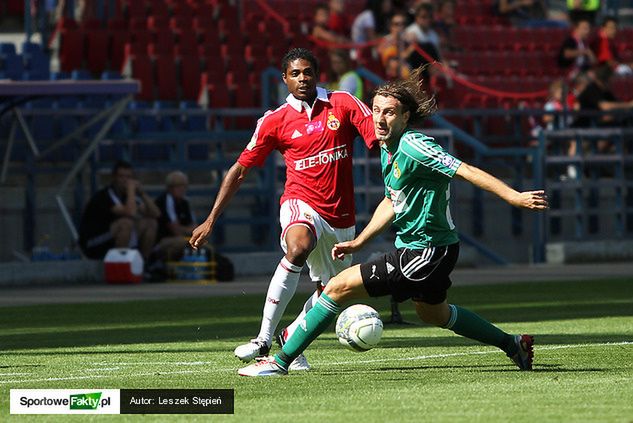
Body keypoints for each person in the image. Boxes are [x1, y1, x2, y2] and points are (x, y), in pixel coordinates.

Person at [238, 66, 549, 377]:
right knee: (434, 314)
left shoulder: (415, 145)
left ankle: (279, 362)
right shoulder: (387, 148)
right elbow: (392, 201)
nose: (379, 119)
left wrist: (513, 197)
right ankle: (513, 345)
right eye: (375, 110)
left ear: (404, 117)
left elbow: (464, 169)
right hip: (434, 249)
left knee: (336, 287)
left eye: (389, 113)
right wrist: (361, 242)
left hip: (425, 251)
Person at [189, 48, 377, 371]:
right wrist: (210, 219)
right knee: (298, 246)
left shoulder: (343, 103)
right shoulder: (274, 121)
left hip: (341, 215)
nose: (302, 78)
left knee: (331, 292)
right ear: (285, 79)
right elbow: (240, 170)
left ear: (317, 75)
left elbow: (379, 139)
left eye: (307, 72)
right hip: (300, 202)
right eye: (295, 73)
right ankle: (264, 337)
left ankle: (291, 336)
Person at [78, 160, 160, 261]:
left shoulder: (183, 202)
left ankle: (143, 265)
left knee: (150, 223)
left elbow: (156, 214)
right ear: (114, 178)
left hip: (113, 238)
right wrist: (131, 190)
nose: (125, 180)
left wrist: (142, 193)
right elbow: (130, 212)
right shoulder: (104, 196)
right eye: (121, 176)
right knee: (125, 223)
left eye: (128, 177)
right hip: (93, 242)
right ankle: (121, 265)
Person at [153, 171, 197, 262]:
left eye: (184, 186)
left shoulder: (185, 202)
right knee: (182, 242)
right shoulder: (165, 201)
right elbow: (175, 230)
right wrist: (187, 230)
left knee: (200, 241)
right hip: (162, 241)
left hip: (181, 238)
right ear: (170, 188)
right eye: (178, 186)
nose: (182, 189)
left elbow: (195, 228)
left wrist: (185, 230)